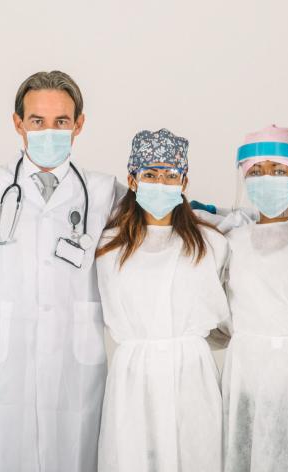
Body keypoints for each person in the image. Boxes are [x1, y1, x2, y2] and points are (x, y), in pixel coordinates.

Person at [0, 71, 119, 472]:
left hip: (75, 362)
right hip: (7, 359)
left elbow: (166, 217)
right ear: (18, 123)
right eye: (37, 121)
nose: (49, 131)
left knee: (75, 455)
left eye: (61, 121)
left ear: (79, 124)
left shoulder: (104, 191)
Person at [95, 129, 229, 472]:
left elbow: (228, 320)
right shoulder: (108, 247)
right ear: (132, 178)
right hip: (133, 376)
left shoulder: (209, 242)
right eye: (151, 174)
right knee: (133, 457)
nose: (161, 182)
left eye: (171, 175)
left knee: (195, 456)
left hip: (191, 373)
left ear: (184, 182)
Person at [222, 125, 288, 472]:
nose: (267, 179)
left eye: (279, 170)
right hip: (245, 377)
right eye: (257, 171)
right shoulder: (234, 240)